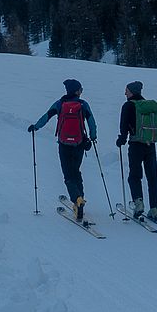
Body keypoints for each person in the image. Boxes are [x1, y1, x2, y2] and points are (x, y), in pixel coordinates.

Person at [28, 78, 97, 220]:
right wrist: (93, 137)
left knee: (68, 175)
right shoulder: (83, 104)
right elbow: (91, 121)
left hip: (64, 144)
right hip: (79, 144)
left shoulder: (60, 104)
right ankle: (80, 198)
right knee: (76, 171)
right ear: (77, 91)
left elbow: (47, 116)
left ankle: (77, 199)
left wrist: (35, 126)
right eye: (80, 89)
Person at [116, 80, 157, 221]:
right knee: (153, 177)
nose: (125, 92)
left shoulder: (128, 106)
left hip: (136, 144)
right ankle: (155, 208)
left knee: (135, 175)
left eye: (127, 90)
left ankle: (138, 204)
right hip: (151, 145)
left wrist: (121, 139)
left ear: (132, 91)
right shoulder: (149, 106)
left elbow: (124, 125)